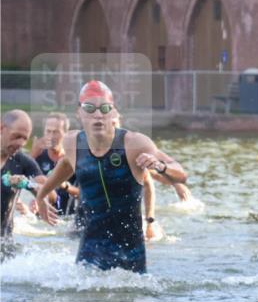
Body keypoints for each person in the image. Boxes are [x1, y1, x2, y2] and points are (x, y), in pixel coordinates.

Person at [35, 81, 187, 273]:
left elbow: (181, 174)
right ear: (79, 112)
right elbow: (65, 165)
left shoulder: (134, 143)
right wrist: (41, 195)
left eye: (105, 108)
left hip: (129, 251)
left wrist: (161, 167)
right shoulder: (72, 142)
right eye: (90, 108)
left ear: (113, 112)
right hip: (90, 248)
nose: (98, 114)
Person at [1, 110, 46, 251]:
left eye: (24, 139)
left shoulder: (22, 161)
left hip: (4, 246)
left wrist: (27, 184)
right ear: (1, 128)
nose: (20, 143)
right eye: (16, 136)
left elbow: (51, 195)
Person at [34, 112, 78, 216]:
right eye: (48, 131)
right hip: (40, 217)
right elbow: (24, 181)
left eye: (56, 132)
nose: (51, 136)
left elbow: (84, 194)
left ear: (65, 133)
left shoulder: (73, 158)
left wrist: (65, 186)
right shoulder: (37, 156)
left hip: (67, 218)